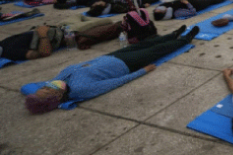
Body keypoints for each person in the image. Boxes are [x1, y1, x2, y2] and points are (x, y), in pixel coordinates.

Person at [23, 26, 200, 114]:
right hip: (125, 65)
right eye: (45, 91)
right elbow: (115, 83)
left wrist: (37, 92)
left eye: (42, 88)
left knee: (146, 43)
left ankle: (171, 34)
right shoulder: (79, 89)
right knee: (155, 51)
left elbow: (28, 87)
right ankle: (185, 39)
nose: (45, 87)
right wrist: (143, 71)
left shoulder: (60, 80)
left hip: (110, 57)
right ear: (55, 99)